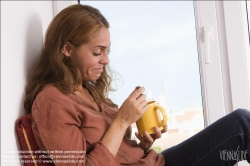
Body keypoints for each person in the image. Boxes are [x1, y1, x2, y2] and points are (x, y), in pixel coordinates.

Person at [24, 4, 250, 166]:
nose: (106, 60)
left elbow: (118, 153)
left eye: (107, 50)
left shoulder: (88, 90)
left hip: (157, 161)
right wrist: (122, 120)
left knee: (241, 125)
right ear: (67, 49)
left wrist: (141, 144)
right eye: (97, 52)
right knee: (241, 126)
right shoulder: (52, 101)